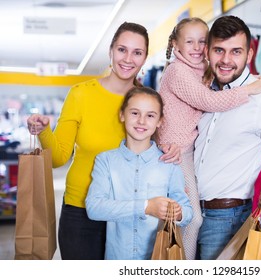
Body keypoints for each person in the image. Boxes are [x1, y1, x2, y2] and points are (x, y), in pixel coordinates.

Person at [26, 22, 180, 260]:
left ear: (144, 58)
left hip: (129, 213)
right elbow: (58, 159)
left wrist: (172, 148)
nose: (128, 58)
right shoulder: (81, 94)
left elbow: (153, 153)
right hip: (81, 212)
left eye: (137, 52)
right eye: (122, 49)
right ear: (111, 50)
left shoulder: (147, 102)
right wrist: (44, 131)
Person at [158, 17, 261, 260]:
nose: (197, 47)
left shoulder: (199, 69)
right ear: (176, 45)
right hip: (176, 153)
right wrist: (251, 88)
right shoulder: (177, 71)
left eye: (203, 41)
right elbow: (209, 102)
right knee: (192, 217)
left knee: (180, 212)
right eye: (190, 41)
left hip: (186, 151)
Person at [194, 15, 261, 260]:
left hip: (226, 220)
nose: (225, 60)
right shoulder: (200, 93)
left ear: (249, 55)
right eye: (219, 50)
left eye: (235, 52)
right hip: (186, 213)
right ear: (208, 52)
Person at [85, 87, 192, 260]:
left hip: (157, 259)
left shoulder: (169, 163)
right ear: (122, 115)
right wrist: (146, 207)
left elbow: (187, 211)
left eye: (150, 115)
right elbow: (94, 208)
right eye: (135, 113)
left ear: (159, 121)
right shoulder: (105, 161)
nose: (142, 121)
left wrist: (178, 212)